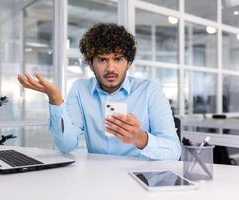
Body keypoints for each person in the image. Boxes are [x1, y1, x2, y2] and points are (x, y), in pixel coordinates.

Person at [18, 23, 181, 160]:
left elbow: (174, 151)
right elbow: (66, 145)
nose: (110, 68)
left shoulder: (150, 91)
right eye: (102, 59)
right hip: (96, 179)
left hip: (141, 179)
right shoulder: (80, 89)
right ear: (90, 63)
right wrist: (55, 101)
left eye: (118, 59)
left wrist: (139, 138)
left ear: (128, 62)